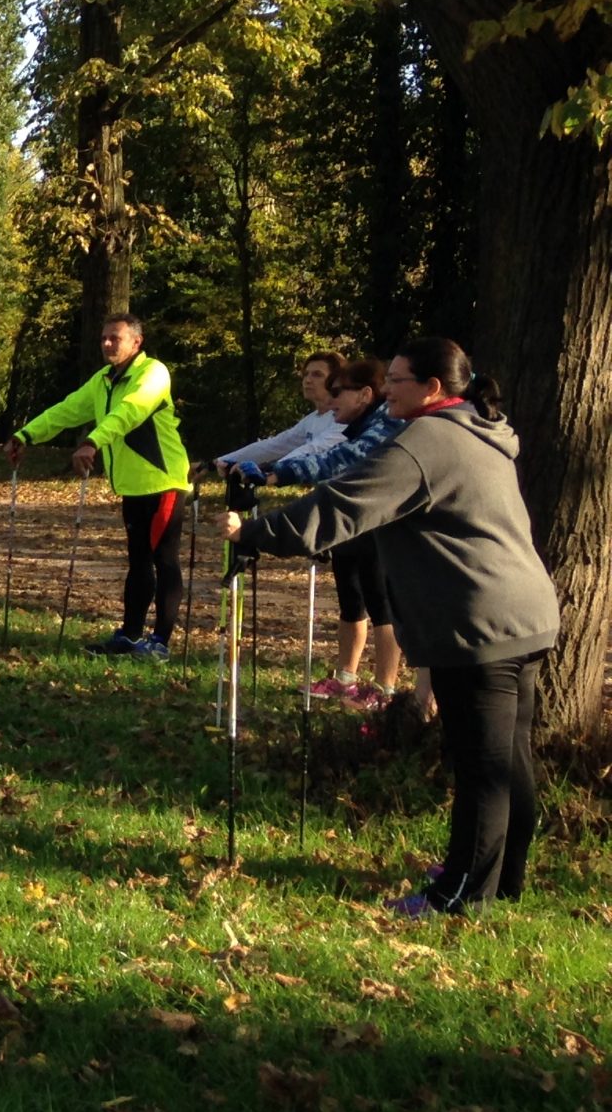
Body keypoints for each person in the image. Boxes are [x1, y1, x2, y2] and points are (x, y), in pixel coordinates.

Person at [227, 338, 558, 916]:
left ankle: (460, 893)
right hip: (523, 614)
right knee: (509, 760)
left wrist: (253, 534)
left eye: (399, 381)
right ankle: (501, 880)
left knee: (482, 765)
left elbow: (342, 508)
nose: (387, 391)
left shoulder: (425, 440)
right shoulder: (478, 429)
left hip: (477, 622)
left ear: (432, 389)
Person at [5, 313, 190, 656]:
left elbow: (131, 412)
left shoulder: (153, 374)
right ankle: (131, 636)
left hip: (164, 481)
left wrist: (92, 441)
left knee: (163, 560)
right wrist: (26, 434)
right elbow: (67, 409)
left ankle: (160, 642)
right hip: (132, 485)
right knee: (138, 562)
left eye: (114, 338)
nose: (106, 344)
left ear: (137, 342)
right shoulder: (103, 380)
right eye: (103, 338)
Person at [264, 355, 405, 707]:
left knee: (380, 602)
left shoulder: (384, 423)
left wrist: (277, 473)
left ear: (365, 394)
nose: (332, 398)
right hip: (350, 520)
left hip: (378, 522)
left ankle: (385, 689)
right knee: (350, 599)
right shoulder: (352, 424)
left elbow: (339, 459)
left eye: (339, 390)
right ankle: (346, 678)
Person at [203, 350, 343, 480]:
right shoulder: (312, 419)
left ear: (336, 381)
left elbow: (315, 449)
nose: (307, 380)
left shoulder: (345, 418)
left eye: (317, 374)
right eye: (306, 374)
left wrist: (267, 471)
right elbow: (274, 445)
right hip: (328, 497)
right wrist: (218, 462)